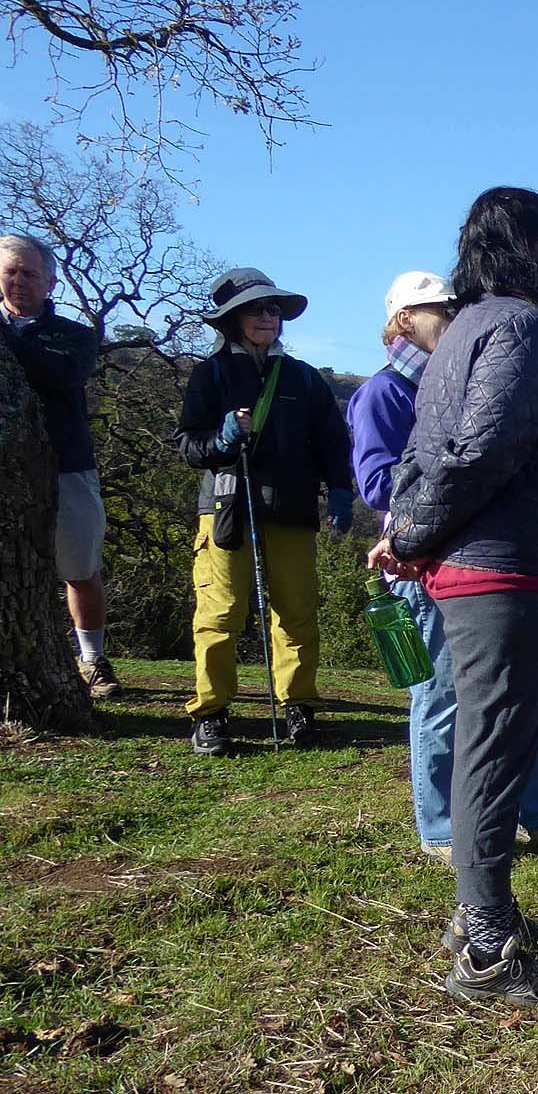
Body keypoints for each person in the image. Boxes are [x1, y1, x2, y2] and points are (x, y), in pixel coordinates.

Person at [373, 185, 538, 1006]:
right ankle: (488, 950)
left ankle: (483, 917)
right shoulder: (524, 327)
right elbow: (483, 448)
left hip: (481, 563)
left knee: (487, 740)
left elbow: (423, 452)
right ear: (521, 247)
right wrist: (409, 532)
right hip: (504, 568)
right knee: (496, 746)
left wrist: (409, 526)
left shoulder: (464, 328)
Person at [350, 271, 538, 862]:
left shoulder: (474, 374)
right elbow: (379, 483)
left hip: (477, 553)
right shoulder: (382, 394)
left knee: (519, 692)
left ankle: (535, 814)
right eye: (435, 310)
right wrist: (432, 499)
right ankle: (441, 826)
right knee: (441, 693)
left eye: (453, 306)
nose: (449, 318)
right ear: (403, 319)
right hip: (420, 556)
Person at [175, 267, 353, 755]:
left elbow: (333, 442)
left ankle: (298, 706)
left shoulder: (303, 377)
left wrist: (340, 489)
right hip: (227, 510)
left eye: (273, 308)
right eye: (256, 308)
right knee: (220, 613)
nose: (267, 317)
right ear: (232, 319)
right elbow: (189, 445)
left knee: (296, 612)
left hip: (293, 510)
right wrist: (224, 439)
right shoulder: (209, 374)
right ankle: (211, 713)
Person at [0, 234, 116, 700]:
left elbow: (61, 373)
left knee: (80, 567)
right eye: (10, 271)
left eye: (29, 273)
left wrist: (7, 337)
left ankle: (92, 659)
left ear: (50, 282)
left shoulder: (75, 335)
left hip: (68, 467)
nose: (19, 281)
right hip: (7, 475)